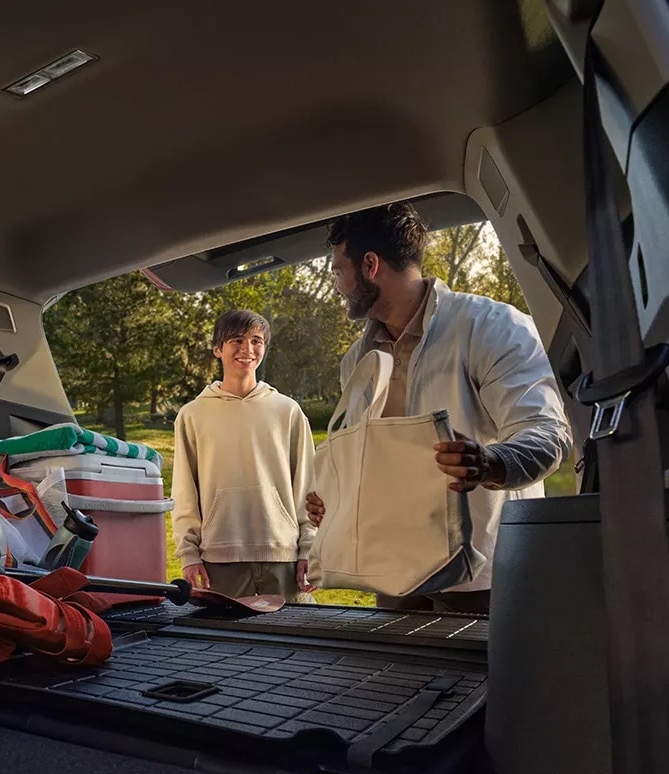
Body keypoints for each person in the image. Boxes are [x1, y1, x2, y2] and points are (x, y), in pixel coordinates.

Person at [305, 201, 572, 615]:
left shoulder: (494, 327)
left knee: (476, 681)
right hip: (392, 572)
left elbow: (547, 433)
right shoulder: (355, 362)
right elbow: (367, 461)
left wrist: (490, 461)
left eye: (339, 270)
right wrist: (333, 498)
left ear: (370, 265)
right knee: (389, 680)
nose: (338, 283)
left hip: (481, 573)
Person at [171, 308, 318, 599]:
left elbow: (307, 485)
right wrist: (189, 554)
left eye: (256, 340)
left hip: (283, 557)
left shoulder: (288, 412)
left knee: (294, 642)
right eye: (236, 340)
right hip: (219, 560)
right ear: (217, 349)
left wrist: (310, 549)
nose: (247, 349)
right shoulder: (193, 415)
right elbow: (184, 491)